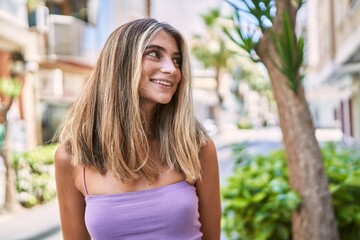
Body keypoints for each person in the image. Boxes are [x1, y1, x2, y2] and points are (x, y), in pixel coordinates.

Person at [55, 18, 221, 240]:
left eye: (176, 59)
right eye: (154, 53)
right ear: (121, 63)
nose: (172, 69)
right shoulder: (72, 157)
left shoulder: (196, 147)